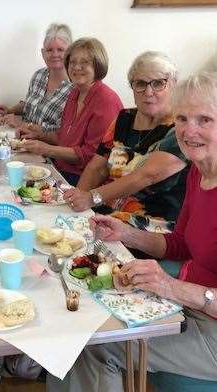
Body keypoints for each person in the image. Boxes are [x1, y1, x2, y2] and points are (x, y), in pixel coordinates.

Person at [47, 71, 217, 392]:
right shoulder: (199, 173)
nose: (188, 130)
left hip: (210, 327)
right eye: (182, 118)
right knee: (83, 315)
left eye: (204, 119)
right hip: (190, 306)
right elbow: (179, 245)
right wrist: (126, 234)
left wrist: (172, 287)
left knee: (96, 345)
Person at [63, 51, 189, 233]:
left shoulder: (181, 126)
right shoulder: (124, 118)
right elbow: (97, 167)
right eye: (140, 84)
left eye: (158, 83)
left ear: (173, 85)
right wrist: (75, 203)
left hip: (149, 224)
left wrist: (90, 198)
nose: (148, 92)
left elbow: (147, 176)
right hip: (105, 210)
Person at [19, 37, 123, 185]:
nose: (76, 67)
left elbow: (90, 156)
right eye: (72, 62)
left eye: (84, 62)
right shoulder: (75, 93)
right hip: (62, 169)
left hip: (86, 180)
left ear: (98, 65)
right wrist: (39, 134)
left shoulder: (106, 101)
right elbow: (64, 139)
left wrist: (46, 149)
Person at [0, 23, 73, 133]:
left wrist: (22, 124)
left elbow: (60, 133)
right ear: (43, 53)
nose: (54, 54)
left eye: (60, 49)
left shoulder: (75, 89)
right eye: (49, 50)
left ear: (70, 53)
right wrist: (9, 110)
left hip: (44, 147)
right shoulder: (38, 76)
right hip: (20, 140)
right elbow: (30, 105)